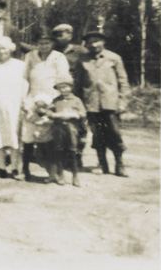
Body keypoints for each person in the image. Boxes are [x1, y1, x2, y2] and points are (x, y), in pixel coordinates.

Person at [74, 28, 131, 177]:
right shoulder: (82, 60)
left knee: (115, 134)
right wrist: (77, 104)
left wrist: (122, 102)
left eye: (96, 41)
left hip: (110, 103)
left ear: (103, 41)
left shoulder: (114, 58)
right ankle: (102, 164)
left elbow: (123, 82)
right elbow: (78, 85)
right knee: (97, 135)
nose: (93, 45)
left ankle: (120, 164)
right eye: (90, 42)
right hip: (91, 104)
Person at [20, 29, 69, 181]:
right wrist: (24, 99)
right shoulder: (29, 56)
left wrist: (54, 104)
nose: (43, 46)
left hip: (52, 100)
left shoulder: (59, 57)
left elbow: (63, 80)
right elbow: (24, 79)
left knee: (53, 139)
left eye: (47, 43)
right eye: (40, 43)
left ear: (53, 43)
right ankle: (25, 170)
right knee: (28, 135)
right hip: (33, 98)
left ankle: (56, 172)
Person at [0, 37, 27, 179]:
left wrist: (23, 101)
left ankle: (14, 168)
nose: (1, 52)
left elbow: (24, 85)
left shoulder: (19, 65)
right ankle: (1, 167)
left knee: (13, 136)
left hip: (13, 103)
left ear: (11, 49)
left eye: (4, 48)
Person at [52, 23, 89, 169]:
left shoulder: (80, 50)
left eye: (64, 33)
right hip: (60, 91)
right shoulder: (53, 51)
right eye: (58, 34)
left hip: (78, 92)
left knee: (80, 125)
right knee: (62, 124)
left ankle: (77, 156)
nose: (60, 37)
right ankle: (62, 158)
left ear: (71, 35)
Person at [46, 78, 87, 187]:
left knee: (72, 151)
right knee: (59, 150)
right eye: (60, 88)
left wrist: (74, 114)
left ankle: (75, 176)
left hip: (71, 127)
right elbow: (48, 111)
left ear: (70, 87)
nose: (63, 90)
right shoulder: (56, 100)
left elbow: (83, 113)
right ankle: (61, 175)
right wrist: (54, 115)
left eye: (65, 87)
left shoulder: (76, 100)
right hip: (59, 128)